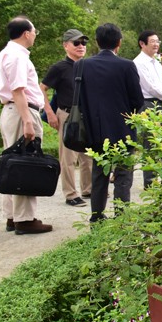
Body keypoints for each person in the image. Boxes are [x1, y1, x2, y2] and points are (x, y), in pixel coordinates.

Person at [79, 23, 144, 222]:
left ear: (97, 42)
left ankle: (96, 218)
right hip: (122, 129)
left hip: (95, 129)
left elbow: (79, 98)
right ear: (119, 43)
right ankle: (121, 218)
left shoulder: (82, 64)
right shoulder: (126, 65)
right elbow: (138, 100)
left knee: (99, 175)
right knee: (123, 177)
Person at [0, 16, 52, 234]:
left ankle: (12, 216)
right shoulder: (17, 56)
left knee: (12, 162)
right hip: (21, 110)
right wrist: (27, 119)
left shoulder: (5, 54)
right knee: (26, 163)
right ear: (26, 33)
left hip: (12, 111)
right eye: (34, 30)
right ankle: (25, 219)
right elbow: (18, 90)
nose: (36, 34)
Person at [40, 29, 93, 208]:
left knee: (88, 155)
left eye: (83, 43)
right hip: (67, 114)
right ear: (65, 45)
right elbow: (42, 88)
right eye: (76, 43)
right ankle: (71, 194)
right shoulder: (59, 67)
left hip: (86, 115)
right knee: (68, 156)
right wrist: (49, 112)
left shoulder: (88, 65)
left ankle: (88, 188)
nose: (81, 46)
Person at [134, 30, 162, 187]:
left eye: (157, 41)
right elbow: (151, 87)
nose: (156, 44)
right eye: (152, 41)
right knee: (151, 144)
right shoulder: (139, 63)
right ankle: (151, 182)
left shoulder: (156, 62)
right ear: (142, 43)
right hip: (150, 104)